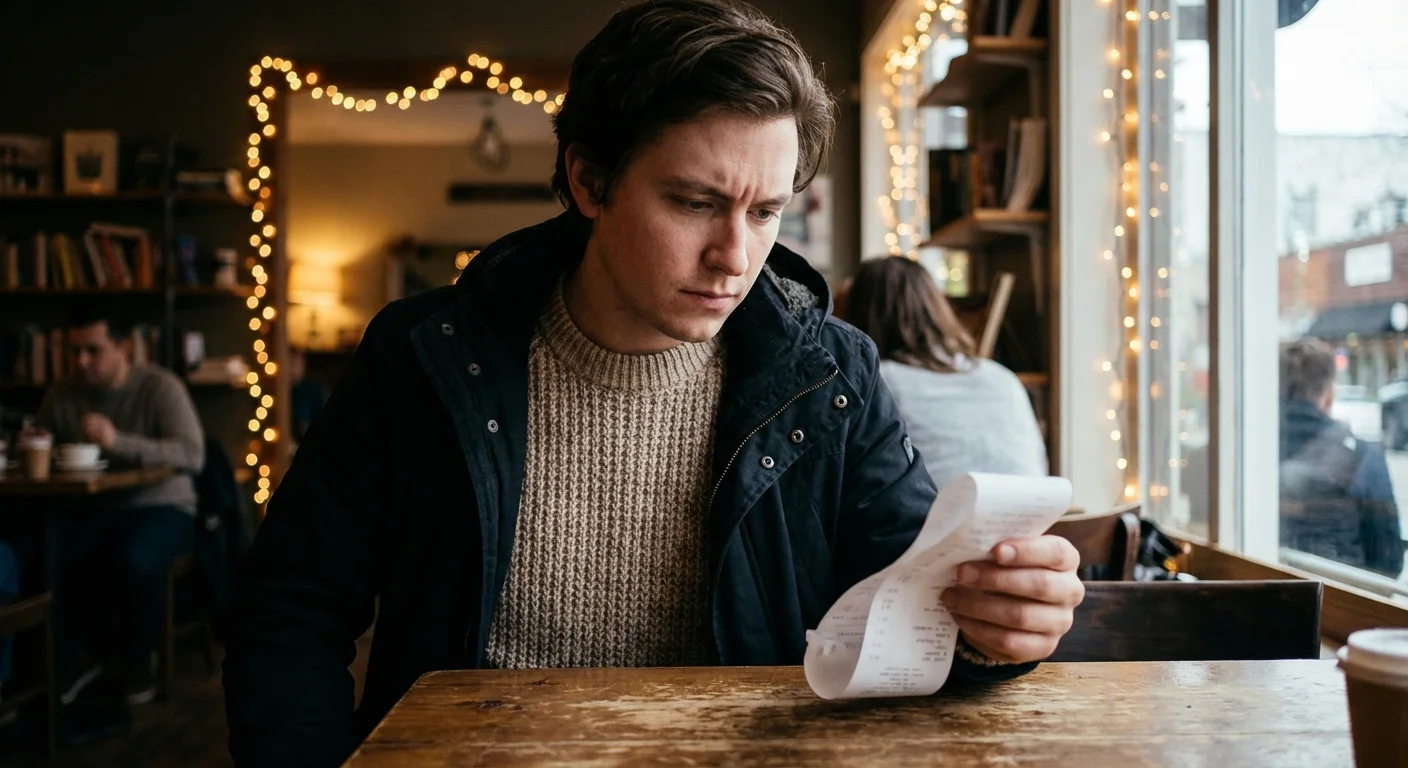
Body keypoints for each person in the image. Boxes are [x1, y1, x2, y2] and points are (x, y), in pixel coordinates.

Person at [222, 2, 1085, 764]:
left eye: (765, 211)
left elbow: (919, 603)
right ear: (588, 180)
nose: (735, 257)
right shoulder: (423, 355)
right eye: (695, 202)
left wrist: (996, 633)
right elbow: (288, 611)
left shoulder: (833, 373)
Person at [33, 308, 204, 706]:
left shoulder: (160, 387)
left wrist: (117, 441)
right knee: (48, 550)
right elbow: (49, 441)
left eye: (93, 351)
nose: (81, 362)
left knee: (136, 556)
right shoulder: (64, 392)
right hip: (96, 507)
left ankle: (138, 659)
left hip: (163, 505)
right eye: (74, 351)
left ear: (123, 348)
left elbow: (192, 454)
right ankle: (69, 662)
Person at [840, 256, 1047, 491]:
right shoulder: (1002, 377)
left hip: (936, 523)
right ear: (937, 307)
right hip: (1033, 520)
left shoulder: (876, 381)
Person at [1279, 338, 1405, 578]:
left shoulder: (1248, 454)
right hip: (1341, 602)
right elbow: (1388, 561)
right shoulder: (1363, 457)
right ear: (1329, 394)